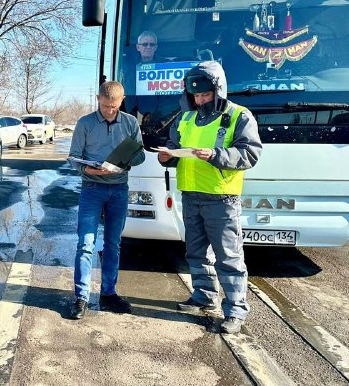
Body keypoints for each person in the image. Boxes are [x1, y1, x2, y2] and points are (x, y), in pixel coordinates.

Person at [157, 61, 262, 334]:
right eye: (196, 96)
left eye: (205, 95)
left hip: (222, 198)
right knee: (195, 251)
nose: (200, 100)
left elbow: (250, 154)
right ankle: (203, 295)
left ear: (218, 90)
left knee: (229, 256)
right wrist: (167, 156)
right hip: (190, 195)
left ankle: (236, 310)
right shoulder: (186, 117)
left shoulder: (240, 116)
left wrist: (215, 155)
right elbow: (174, 146)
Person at [68, 81, 146, 320]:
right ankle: (81, 297)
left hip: (119, 190)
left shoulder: (131, 123)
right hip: (92, 189)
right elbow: (73, 158)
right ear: (98, 99)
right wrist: (88, 171)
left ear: (122, 101)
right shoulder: (85, 123)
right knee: (86, 244)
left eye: (114, 106)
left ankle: (108, 294)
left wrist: (125, 162)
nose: (109, 111)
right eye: (105, 106)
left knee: (113, 244)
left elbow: (141, 155)